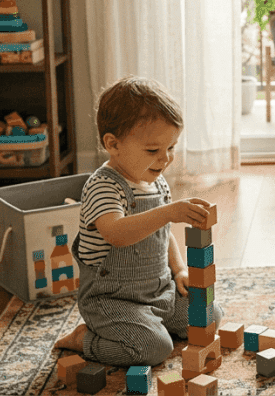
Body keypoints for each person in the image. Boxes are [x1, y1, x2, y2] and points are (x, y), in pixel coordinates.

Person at [54, 76, 223, 366]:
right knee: (153, 350)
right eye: (153, 150)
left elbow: (164, 233)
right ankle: (86, 339)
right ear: (113, 144)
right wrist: (168, 212)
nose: (166, 159)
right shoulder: (103, 186)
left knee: (209, 315)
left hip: (159, 293)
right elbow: (117, 233)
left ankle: (152, 325)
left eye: (171, 147)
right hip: (112, 302)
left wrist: (180, 269)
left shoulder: (156, 182)